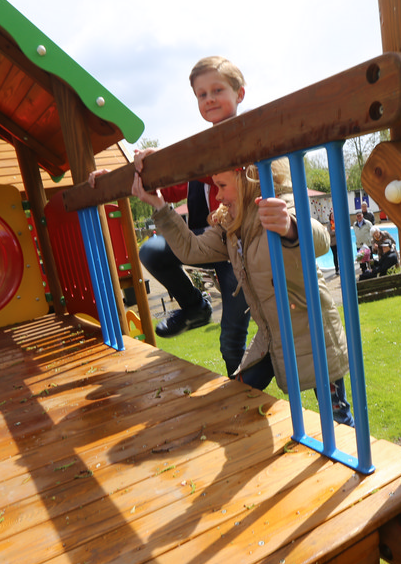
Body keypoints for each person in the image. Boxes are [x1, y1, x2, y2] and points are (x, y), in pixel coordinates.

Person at [133, 159, 354, 427]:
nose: (217, 196)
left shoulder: (277, 205)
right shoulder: (232, 226)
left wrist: (289, 226)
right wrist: (160, 206)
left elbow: (320, 239)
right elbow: (191, 250)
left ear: (246, 181)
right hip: (272, 337)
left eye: (222, 186)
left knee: (337, 419)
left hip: (313, 335)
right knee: (239, 392)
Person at [91, 56, 251, 379]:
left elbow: (235, 171)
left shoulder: (246, 138)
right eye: (201, 95)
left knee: (231, 340)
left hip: (238, 245)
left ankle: (243, 389)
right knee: (152, 250)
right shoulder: (198, 153)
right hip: (207, 242)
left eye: (217, 90)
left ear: (240, 94)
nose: (209, 99)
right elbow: (163, 182)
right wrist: (116, 179)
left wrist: (175, 160)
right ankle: (194, 306)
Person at [327, 210, 340, 277]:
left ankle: (341, 267)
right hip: (333, 243)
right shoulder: (329, 224)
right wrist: (336, 231)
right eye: (332, 216)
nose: (333, 217)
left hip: (339, 242)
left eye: (334, 215)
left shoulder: (337, 222)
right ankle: (336, 269)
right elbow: (330, 233)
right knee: (335, 256)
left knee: (340, 256)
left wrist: (335, 231)